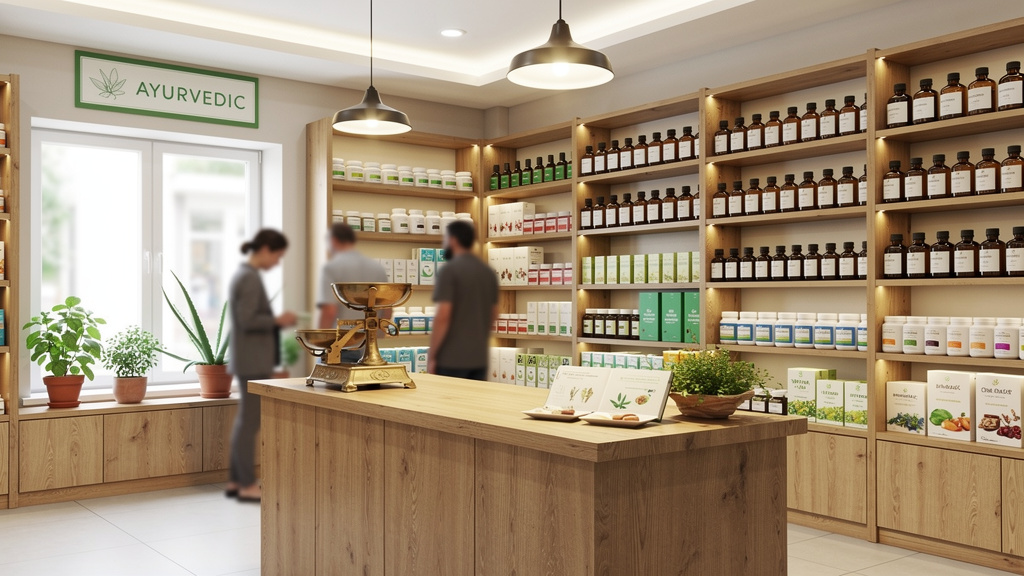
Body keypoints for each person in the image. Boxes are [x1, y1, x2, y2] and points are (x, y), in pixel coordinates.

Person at [227, 229, 297, 502]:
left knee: (246, 421)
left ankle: (236, 480)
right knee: (250, 421)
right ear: (266, 249)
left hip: (249, 358)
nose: (277, 262)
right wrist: (278, 321)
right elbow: (247, 320)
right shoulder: (248, 278)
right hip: (252, 359)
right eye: (278, 256)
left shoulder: (245, 275)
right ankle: (245, 483)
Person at [428, 220, 498, 380]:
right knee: (474, 403)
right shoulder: (487, 272)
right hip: (479, 358)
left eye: (445, 239)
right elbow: (494, 313)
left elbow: (443, 316)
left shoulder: (450, 270)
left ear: (453, 240)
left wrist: (432, 355)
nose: (444, 243)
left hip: (452, 359)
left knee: (449, 404)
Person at [317, 222, 389, 362]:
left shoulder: (331, 268)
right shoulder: (377, 268)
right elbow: (387, 308)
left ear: (333, 241)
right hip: (367, 347)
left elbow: (329, 310)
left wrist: (322, 344)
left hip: (338, 347)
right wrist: (377, 336)